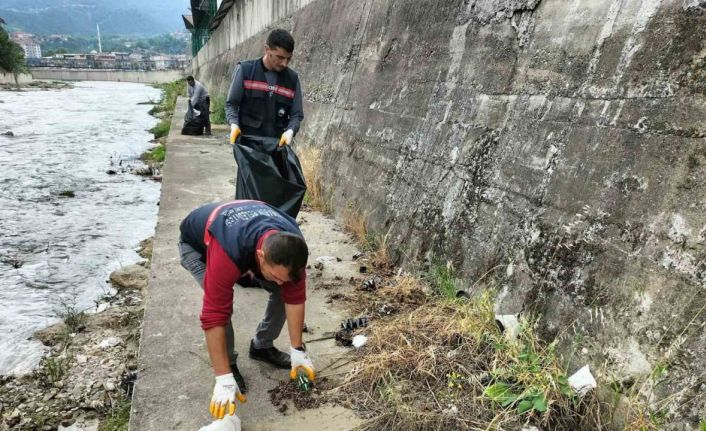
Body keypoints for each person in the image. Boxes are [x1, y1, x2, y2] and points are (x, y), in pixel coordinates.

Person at [178, 200, 315, 419]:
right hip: (197, 246)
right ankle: (229, 365)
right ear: (261, 256)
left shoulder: (293, 247)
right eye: (276, 277)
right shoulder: (229, 249)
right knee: (223, 307)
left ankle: (261, 346)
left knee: (283, 292)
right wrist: (222, 376)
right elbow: (214, 315)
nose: (280, 282)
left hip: (246, 237)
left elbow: (295, 297)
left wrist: (297, 350)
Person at [225, 28, 304, 147]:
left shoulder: (292, 80)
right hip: (249, 148)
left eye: (289, 58)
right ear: (267, 49)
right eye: (280, 57)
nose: (285, 63)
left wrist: (290, 131)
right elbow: (231, 104)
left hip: (277, 149)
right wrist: (234, 125)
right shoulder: (245, 71)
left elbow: (296, 115)